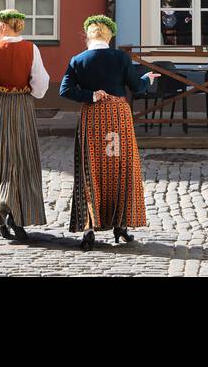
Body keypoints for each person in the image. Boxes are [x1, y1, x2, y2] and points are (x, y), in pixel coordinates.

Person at [59, 15, 156, 249]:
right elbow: (135, 86)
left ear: (88, 36)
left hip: (92, 117)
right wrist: (147, 79)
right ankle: (120, 225)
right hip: (117, 117)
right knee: (119, 166)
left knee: (91, 168)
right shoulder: (120, 57)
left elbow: (65, 90)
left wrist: (90, 95)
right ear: (109, 36)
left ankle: (89, 227)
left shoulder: (78, 60)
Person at [0, 9, 49, 241]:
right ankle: (20, 212)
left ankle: (3, 210)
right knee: (22, 156)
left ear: (5, 27)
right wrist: (30, 92)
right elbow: (41, 84)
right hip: (22, 106)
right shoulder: (32, 49)